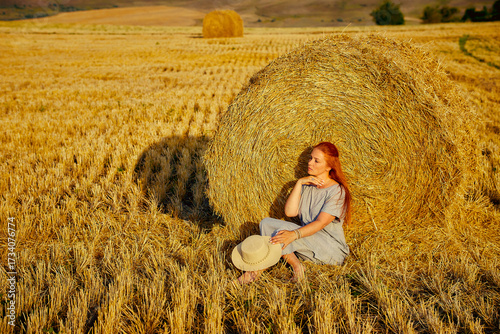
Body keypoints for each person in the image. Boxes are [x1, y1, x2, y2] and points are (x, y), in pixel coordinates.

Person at [232, 142, 352, 284]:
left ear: (329, 166)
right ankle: (297, 265)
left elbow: (320, 223)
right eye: (310, 158)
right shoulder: (308, 186)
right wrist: (299, 183)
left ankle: (256, 271)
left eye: (316, 160)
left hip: (330, 250)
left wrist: (294, 234)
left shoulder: (336, 191)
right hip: (309, 242)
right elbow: (290, 212)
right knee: (266, 223)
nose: (310, 163)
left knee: (282, 231)